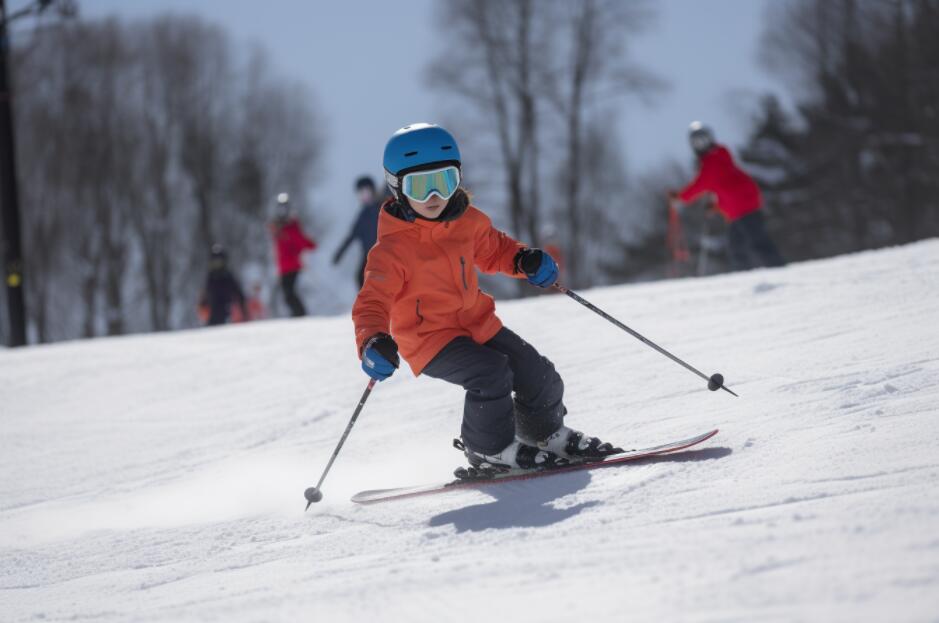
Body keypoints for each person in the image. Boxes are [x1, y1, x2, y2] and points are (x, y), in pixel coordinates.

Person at [351, 123, 617, 473]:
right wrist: (372, 340)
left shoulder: (467, 222)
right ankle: (487, 449)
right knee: (491, 374)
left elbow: (496, 250)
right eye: (420, 185)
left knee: (537, 372)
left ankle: (545, 434)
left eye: (444, 181)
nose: (434, 196)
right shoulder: (392, 250)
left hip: (476, 323)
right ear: (397, 188)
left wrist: (524, 259)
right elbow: (372, 301)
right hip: (428, 338)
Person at [669, 121, 786, 271]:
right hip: (739, 209)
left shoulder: (713, 161)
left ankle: (778, 269)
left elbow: (700, 184)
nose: (701, 145)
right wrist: (716, 206)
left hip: (744, 207)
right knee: (737, 247)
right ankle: (744, 274)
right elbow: (725, 188)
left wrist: (679, 197)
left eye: (703, 140)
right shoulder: (716, 158)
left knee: (757, 242)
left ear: (710, 139)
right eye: (696, 142)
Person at [269, 193, 317, 317]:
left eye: (284, 208)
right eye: (280, 208)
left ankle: (301, 314)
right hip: (283, 266)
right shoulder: (277, 227)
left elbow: (302, 241)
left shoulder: (292, 226)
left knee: (289, 293)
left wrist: (310, 244)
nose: (282, 211)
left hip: (292, 265)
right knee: (287, 294)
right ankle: (298, 314)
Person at [332, 176, 381, 289]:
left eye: (366, 193)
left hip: (383, 251)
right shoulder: (362, 215)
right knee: (360, 277)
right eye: (361, 194)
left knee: (381, 277)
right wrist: (340, 253)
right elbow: (352, 235)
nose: (364, 197)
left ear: (373, 191)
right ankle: (368, 304)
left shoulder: (382, 208)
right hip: (368, 254)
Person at [199, 244, 248, 326]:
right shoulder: (211, 277)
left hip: (228, 311)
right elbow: (205, 294)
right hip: (214, 311)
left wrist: (243, 309)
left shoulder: (228, 276)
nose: (217, 264)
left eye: (219, 261)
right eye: (215, 261)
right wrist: (203, 304)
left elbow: (239, 293)